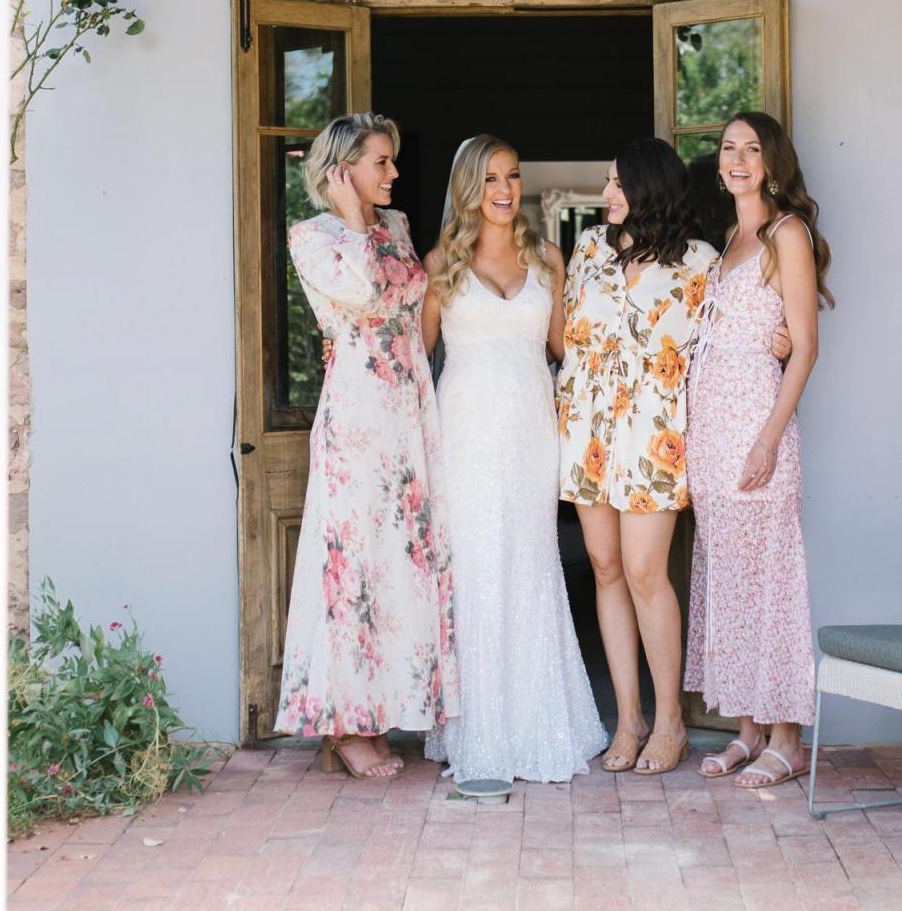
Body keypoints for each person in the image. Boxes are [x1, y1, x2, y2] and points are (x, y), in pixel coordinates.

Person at [275, 113, 458, 779]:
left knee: (397, 562)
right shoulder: (312, 235)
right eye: (380, 162)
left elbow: (411, 303)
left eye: (391, 161)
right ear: (343, 168)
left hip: (407, 413)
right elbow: (364, 292)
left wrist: (373, 223)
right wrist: (353, 219)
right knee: (352, 567)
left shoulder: (400, 227)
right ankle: (344, 722)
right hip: (356, 417)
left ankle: (381, 712)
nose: (394, 173)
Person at [422, 135, 607, 784]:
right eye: (492, 178)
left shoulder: (549, 258)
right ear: (469, 187)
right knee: (474, 572)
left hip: (532, 435)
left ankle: (540, 721)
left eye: (513, 176)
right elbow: (413, 363)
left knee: (529, 567)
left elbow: (568, 349)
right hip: (464, 437)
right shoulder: (442, 261)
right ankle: (478, 729)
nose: (505, 189)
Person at [555, 139, 717, 777]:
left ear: (651, 186)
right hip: (589, 426)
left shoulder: (700, 262)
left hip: (653, 433)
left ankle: (671, 719)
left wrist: (782, 338)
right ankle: (629, 718)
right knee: (605, 567)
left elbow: (728, 341)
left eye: (618, 182)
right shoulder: (591, 249)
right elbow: (565, 335)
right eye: (606, 181)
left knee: (648, 572)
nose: (607, 194)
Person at [685, 111, 833, 789]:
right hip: (710, 433)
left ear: (771, 163)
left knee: (770, 581)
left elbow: (804, 344)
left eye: (750, 150)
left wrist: (769, 437)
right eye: (727, 149)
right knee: (730, 581)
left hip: (755, 428)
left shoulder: (786, 233)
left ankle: (787, 738)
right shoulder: (730, 240)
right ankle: (746, 729)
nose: (737, 159)